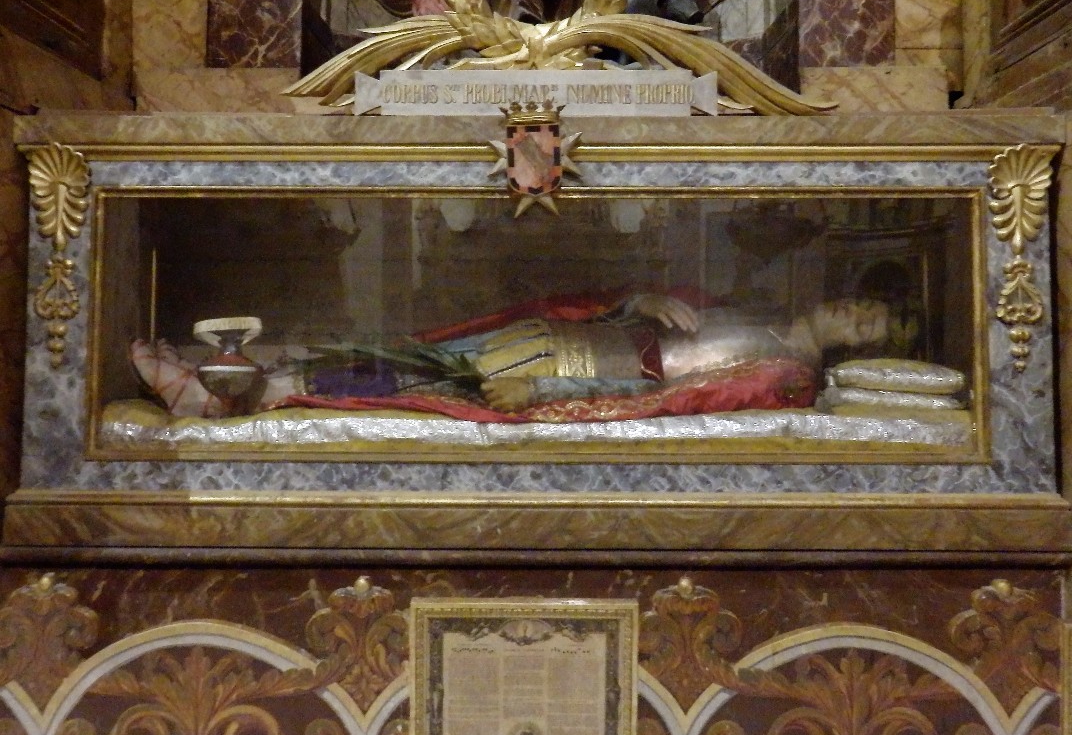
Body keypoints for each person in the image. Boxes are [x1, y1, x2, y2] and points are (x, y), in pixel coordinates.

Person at [129, 291, 901, 422]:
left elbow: (672, 398)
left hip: (575, 375)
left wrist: (541, 396)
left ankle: (226, 399)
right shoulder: (755, 306)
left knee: (401, 384)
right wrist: (638, 300)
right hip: (557, 338)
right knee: (400, 356)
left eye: (868, 328)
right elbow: (644, 309)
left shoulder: (788, 379)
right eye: (864, 303)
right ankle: (238, 379)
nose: (854, 314)